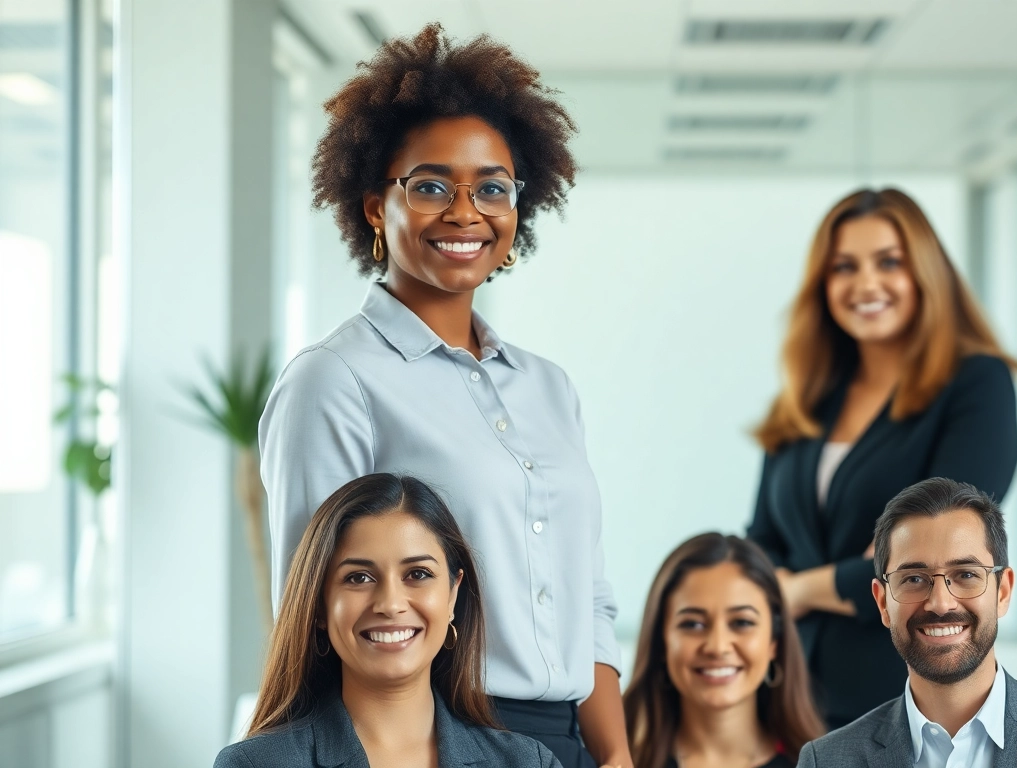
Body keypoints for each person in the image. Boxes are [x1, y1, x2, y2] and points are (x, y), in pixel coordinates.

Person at [258, 25, 629, 768]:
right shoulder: (334, 380)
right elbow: (315, 615)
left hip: (571, 743)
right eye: (431, 185)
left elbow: (588, 600)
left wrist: (615, 756)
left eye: (493, 187)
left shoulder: (548, 387)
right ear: (373, 206)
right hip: (436, 743)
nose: (466, 212)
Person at [747, 188, 1017, 728]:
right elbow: (763, 539)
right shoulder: (807, 398)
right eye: (844, 266)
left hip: (898, 695)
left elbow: (934, 551)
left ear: (925, 272)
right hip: (785, 693)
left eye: (888, 262)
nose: (866, 284)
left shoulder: (975, 384)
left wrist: (797, 589)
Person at [215, 474, 559, 768]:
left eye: (418, 574)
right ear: (319, 605)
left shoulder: (528, 762)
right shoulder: (256, 764)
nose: (391, 604)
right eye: (359, 578)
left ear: (453, 594)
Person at [797, 477, 1017, 767]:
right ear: (882, 602)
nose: (940, 602)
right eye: (914, 579)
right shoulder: (826, 760)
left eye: (965, 574)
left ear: (1003, 591)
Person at [623, 534, 826, 768]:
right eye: (693, 624)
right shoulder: (615, 760)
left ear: (774, 642)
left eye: (742, 622)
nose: (717, 647)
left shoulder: (824, 762)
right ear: (661, 642)